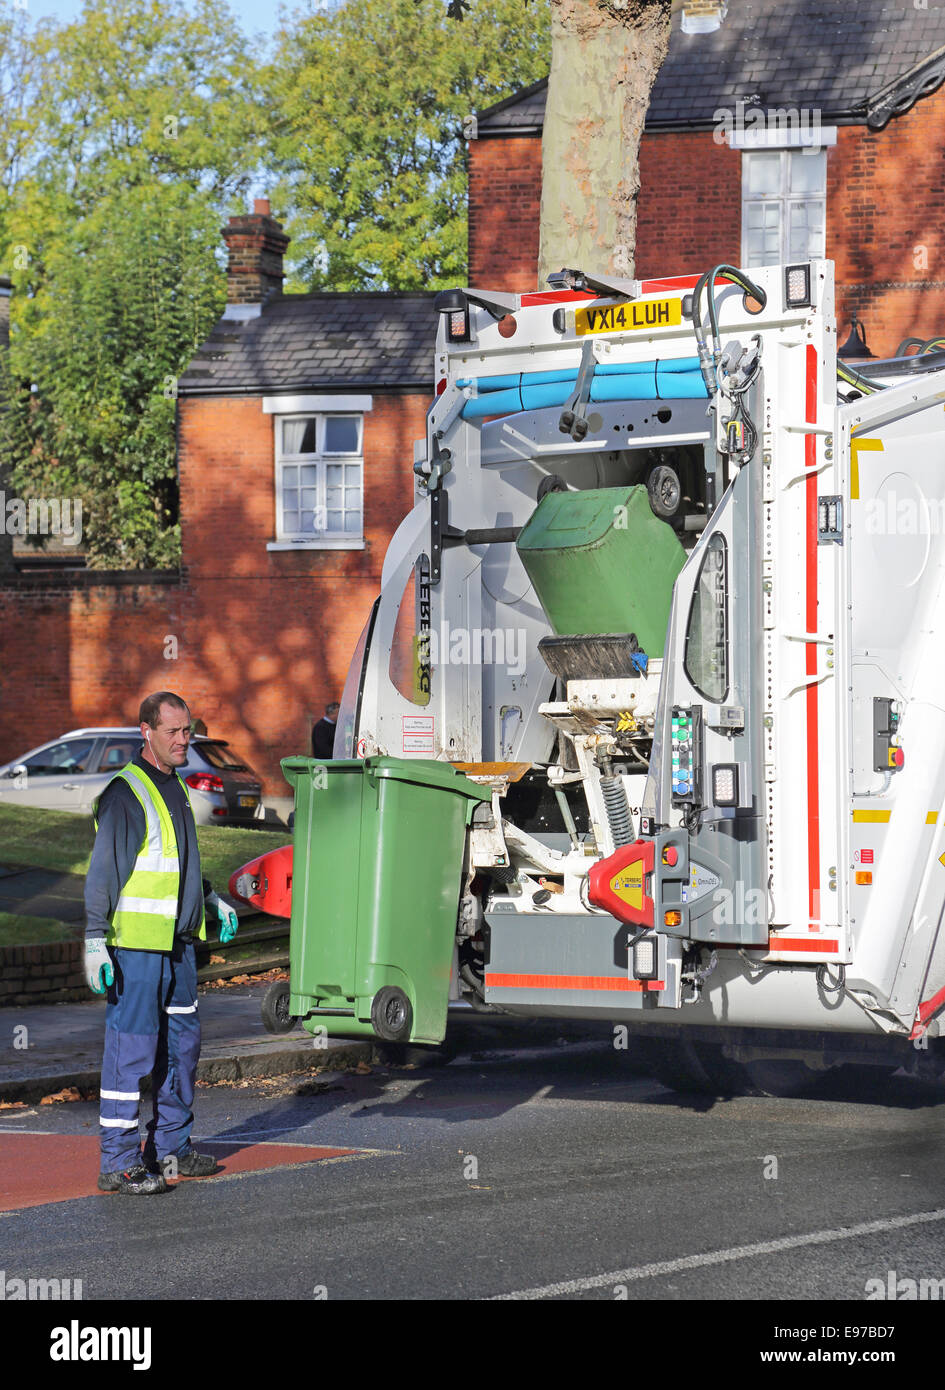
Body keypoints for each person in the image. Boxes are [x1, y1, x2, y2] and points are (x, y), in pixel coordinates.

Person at [84, 691, 239, 1196]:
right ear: (146, 732)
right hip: (137, 949)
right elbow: (103, 873)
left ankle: (171, 1147)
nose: (183, 740)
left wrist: (210, 897)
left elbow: (176, 861)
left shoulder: (175, 788)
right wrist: (92, 939)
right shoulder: (125, 793)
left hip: (179, 946)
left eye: (187, 730)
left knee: (181, 1048)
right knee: (131, 1052)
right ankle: (119, 1160)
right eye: (173, 731)